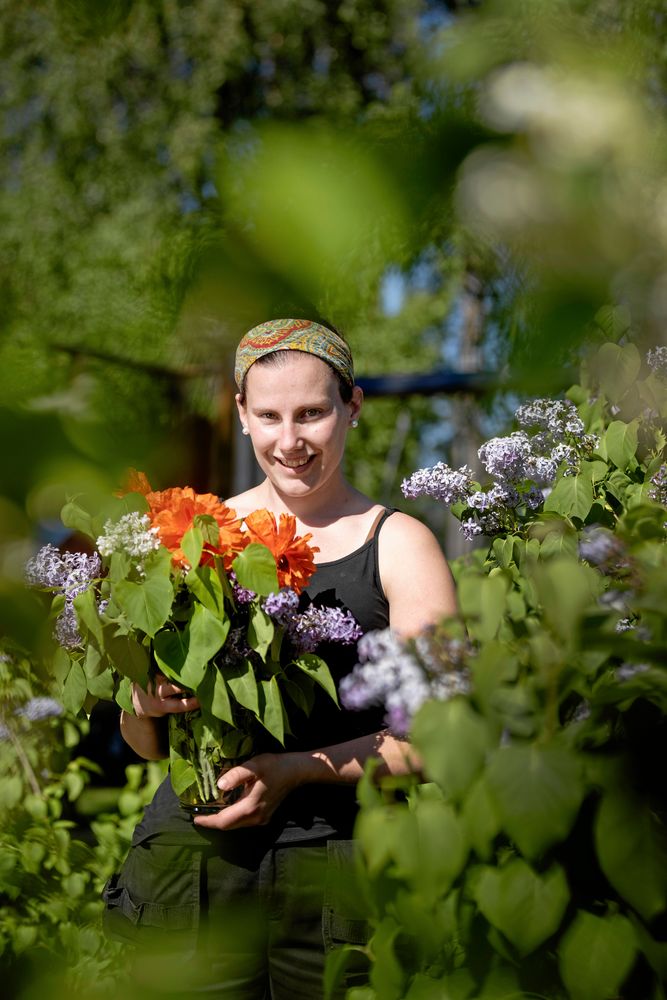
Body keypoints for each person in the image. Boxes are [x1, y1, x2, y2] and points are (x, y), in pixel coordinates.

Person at [104, 318, 457, 998]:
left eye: (312, 413)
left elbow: (439, 733)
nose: (288, 441)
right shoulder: (193, 532)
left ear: (351, 409)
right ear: (240, 414)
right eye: (268, 415)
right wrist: (143, 704)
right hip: (193, 868)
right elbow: (148, 744)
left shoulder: (399, 544)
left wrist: (296, 770)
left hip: (338, 869)